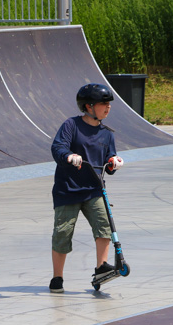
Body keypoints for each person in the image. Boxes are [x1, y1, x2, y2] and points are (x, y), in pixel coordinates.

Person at [49, 83, 124, 293]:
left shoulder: (107, 133)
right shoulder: (71, 125)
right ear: (89, 106)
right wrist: (68, 155)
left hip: (94, 189)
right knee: (62, 234)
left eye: (109, 104)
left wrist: (114, 161)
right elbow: (58, 147)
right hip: (68, 189)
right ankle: (57, 278)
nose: (108, 107)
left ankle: (101, 268)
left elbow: (109, 161)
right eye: (103, 104)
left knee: (104, 226)